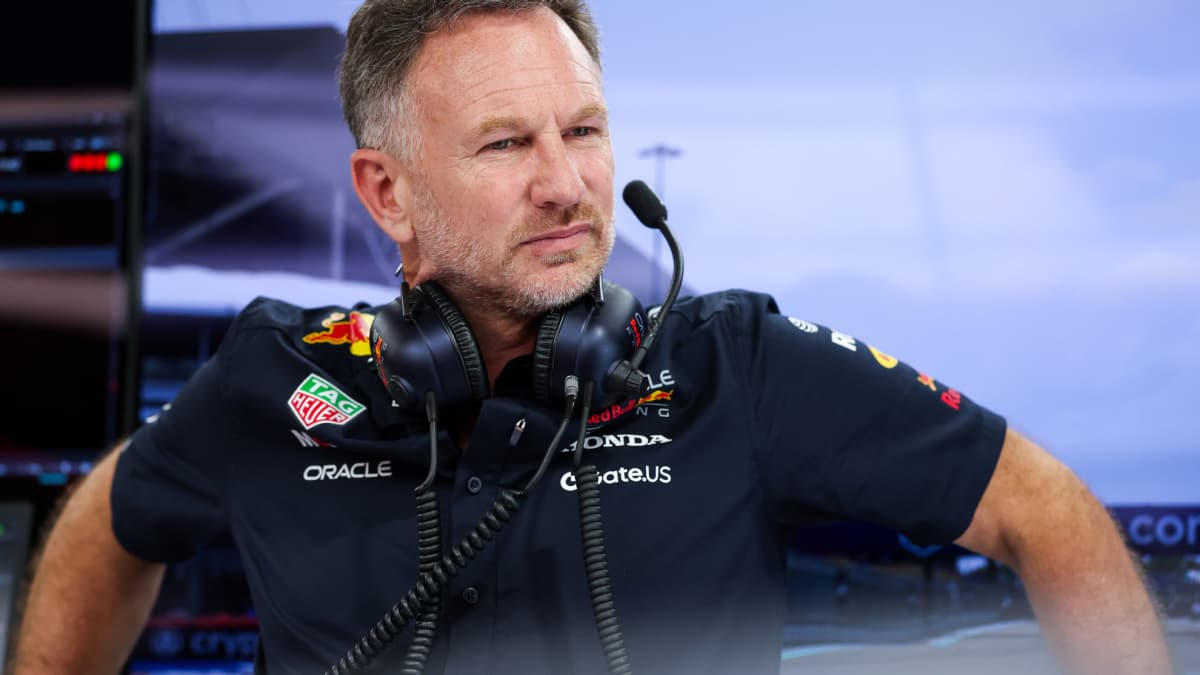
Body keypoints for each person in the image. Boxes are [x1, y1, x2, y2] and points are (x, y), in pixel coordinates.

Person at [14, 1, 1173, 674]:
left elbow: (1041, 507)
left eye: (583, 131)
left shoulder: (737, 366)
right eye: (505, 145)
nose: (568, 184)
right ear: (387, 191)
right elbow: (109, 521)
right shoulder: (279, 378)